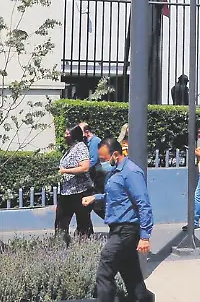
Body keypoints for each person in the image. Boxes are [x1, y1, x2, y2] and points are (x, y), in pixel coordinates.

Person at [81, 140, 153, 302]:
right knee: (131, 273)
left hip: (126, 230)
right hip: (117, 229)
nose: (102, 162)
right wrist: (95, 198)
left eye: (104, 159)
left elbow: (143, 204)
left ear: (115, 154)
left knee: (104, 270)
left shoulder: (131, 172)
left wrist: (145, 237)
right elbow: (116, 196)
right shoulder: (115, 173)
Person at [55, 125, 95, 244]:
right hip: (67, 191)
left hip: (79, 191)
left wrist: (65, 171)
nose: (65, 136)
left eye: (68, 133)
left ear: (74, 134)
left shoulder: (81, 147)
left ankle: (85, 244)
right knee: (61, 221)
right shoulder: (71, 148)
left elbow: (85, 167)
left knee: (83, 222)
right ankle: (61, 244)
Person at [81, 122, 106, 219]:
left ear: (87, 132)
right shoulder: (87, 142)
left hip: (97, 175)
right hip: (93, 175)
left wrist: (81, 168)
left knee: (97, 204)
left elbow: (93, 160)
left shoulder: (95, 141)